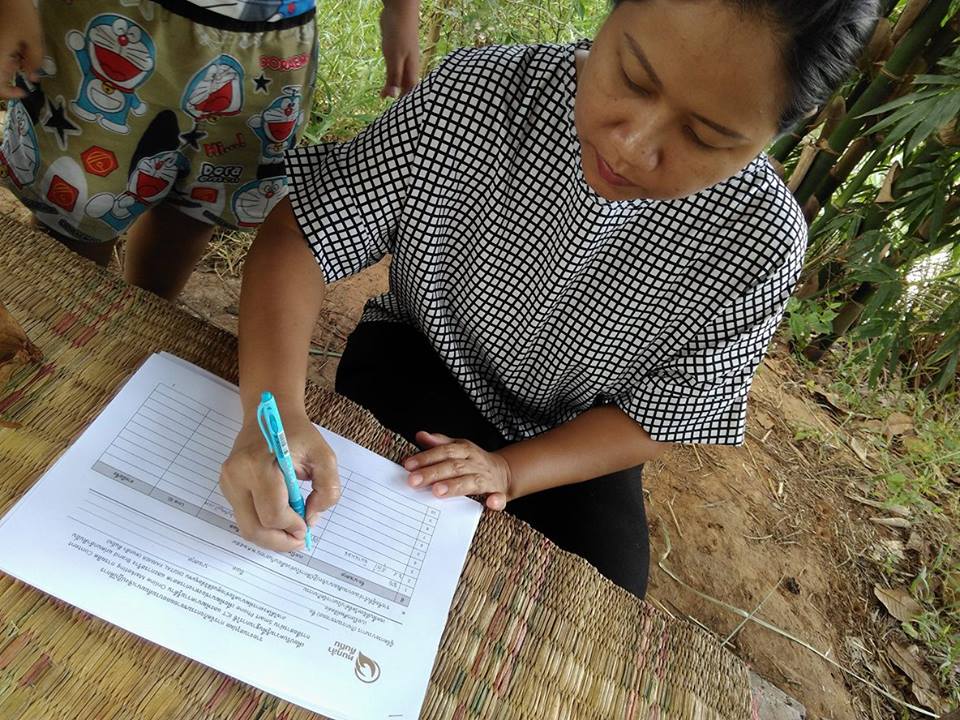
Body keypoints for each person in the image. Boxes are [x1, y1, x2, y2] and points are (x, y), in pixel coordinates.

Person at [220, 0, 879, 599]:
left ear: (776, 134)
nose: (630, 145)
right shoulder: (479, 94)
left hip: (578, 429)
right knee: (352, 533)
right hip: (423, 354)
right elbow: (302, 235)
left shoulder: (759, 240)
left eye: (705, 137)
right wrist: (270, 413)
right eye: (633, 77)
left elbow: (663, 413)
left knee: (600, 593)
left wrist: (510, 471)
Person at [0, 0, 420, 300]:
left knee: (197, 203)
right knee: (74, 210)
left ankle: (144, 318)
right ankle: (55, 317)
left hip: (271, 43)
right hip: (115, 26)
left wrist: (401, 10)